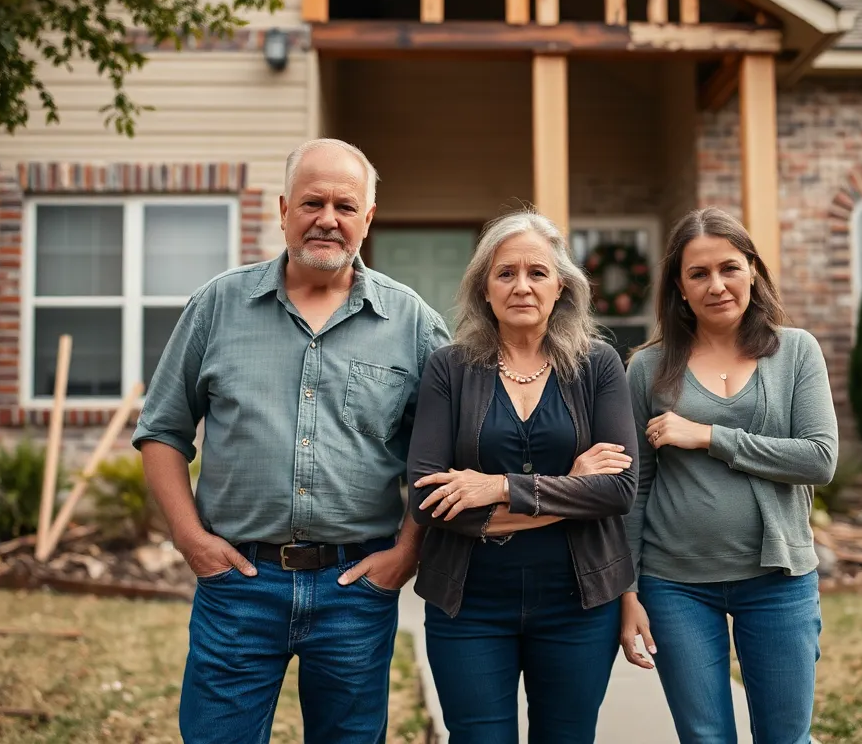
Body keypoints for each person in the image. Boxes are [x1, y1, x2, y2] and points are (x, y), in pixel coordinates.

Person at [132, 138, 450, 744]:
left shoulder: (411, 322)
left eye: (345, 206)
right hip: (239, 586)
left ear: (367, 219)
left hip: (356, 586)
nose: (327, 218)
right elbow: (162, 430)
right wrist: (190, 539)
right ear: (283, 210)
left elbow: (438, 455)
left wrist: (408, 553)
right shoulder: (217, 306)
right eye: (312, 202)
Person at [406, 211, 639, 744]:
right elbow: (427, 498)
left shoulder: (598, 365)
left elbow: (618, 491)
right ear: (483, 290)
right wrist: (571, 487)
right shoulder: (450, 368)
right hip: (469, 604)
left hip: (578, 604)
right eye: (505, 273)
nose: (522, 286)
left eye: (537, 272)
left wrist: (499, 489)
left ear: (562, 286)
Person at [620, 207, 838, 744]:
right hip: (675, 586)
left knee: (786, 738)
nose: (716, 285)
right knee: (705, 738)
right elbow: (633, 488)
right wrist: (627, 592)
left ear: (753, 272)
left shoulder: (796, 352)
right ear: (680, 286)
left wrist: (709, 436)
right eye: (699, 273)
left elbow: (819, 458)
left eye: (729, 268)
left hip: (777, 581)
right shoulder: (647, 368)